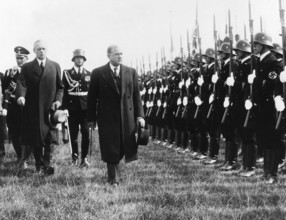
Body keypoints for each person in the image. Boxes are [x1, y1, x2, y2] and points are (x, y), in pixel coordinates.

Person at [87, 45, 145, 186]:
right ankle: (113, 178)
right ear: (108, 55)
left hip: (127, 116)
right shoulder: (98, 73)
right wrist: (91, 119)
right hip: (107, 117)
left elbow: (136, 95)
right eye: (116, 54)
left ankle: (116, 168)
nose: (120, 56)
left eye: (121, 53)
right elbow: (91, 98)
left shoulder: (131, 72)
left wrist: (140, 116)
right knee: (110, 146)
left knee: (124, 146)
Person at [16, 40, 64, 175]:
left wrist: (58, 101)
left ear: (47, 50)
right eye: (38, 49)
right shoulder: (27, 67)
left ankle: (47, 164)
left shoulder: (55, 66)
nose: (41, 51)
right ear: (34, 51)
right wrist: (21, 96)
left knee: (49, 138)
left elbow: (60, 87)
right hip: (33, 109)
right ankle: (38, 165)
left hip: (50, 109)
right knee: (36, 138)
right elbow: (21, 83)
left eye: (43, 49)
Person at [2, 46, 31, 168]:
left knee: (26, 132)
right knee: (14, 132)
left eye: (22, 58)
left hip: (26, 105)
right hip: (13, 105)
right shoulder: (9, 71)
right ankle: (20, 156)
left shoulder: (30, 70)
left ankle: (26, 157)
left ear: (27, 58)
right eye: (17, 58)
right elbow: (4, 89)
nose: (19, 60)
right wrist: (10, 77)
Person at [62, 49, 91, 167]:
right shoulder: (67, 73)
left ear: (84, 60)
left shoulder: (89, 74)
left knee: (85, 134)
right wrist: (64, 107)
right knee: (73, 135)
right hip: (72, 108)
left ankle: (84, 158)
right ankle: (74, 158)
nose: (79, 60)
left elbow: (91, 93)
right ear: (73, 60)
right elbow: (63, 91)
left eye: (81, 58)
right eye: (77, 58)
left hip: (85, 109)